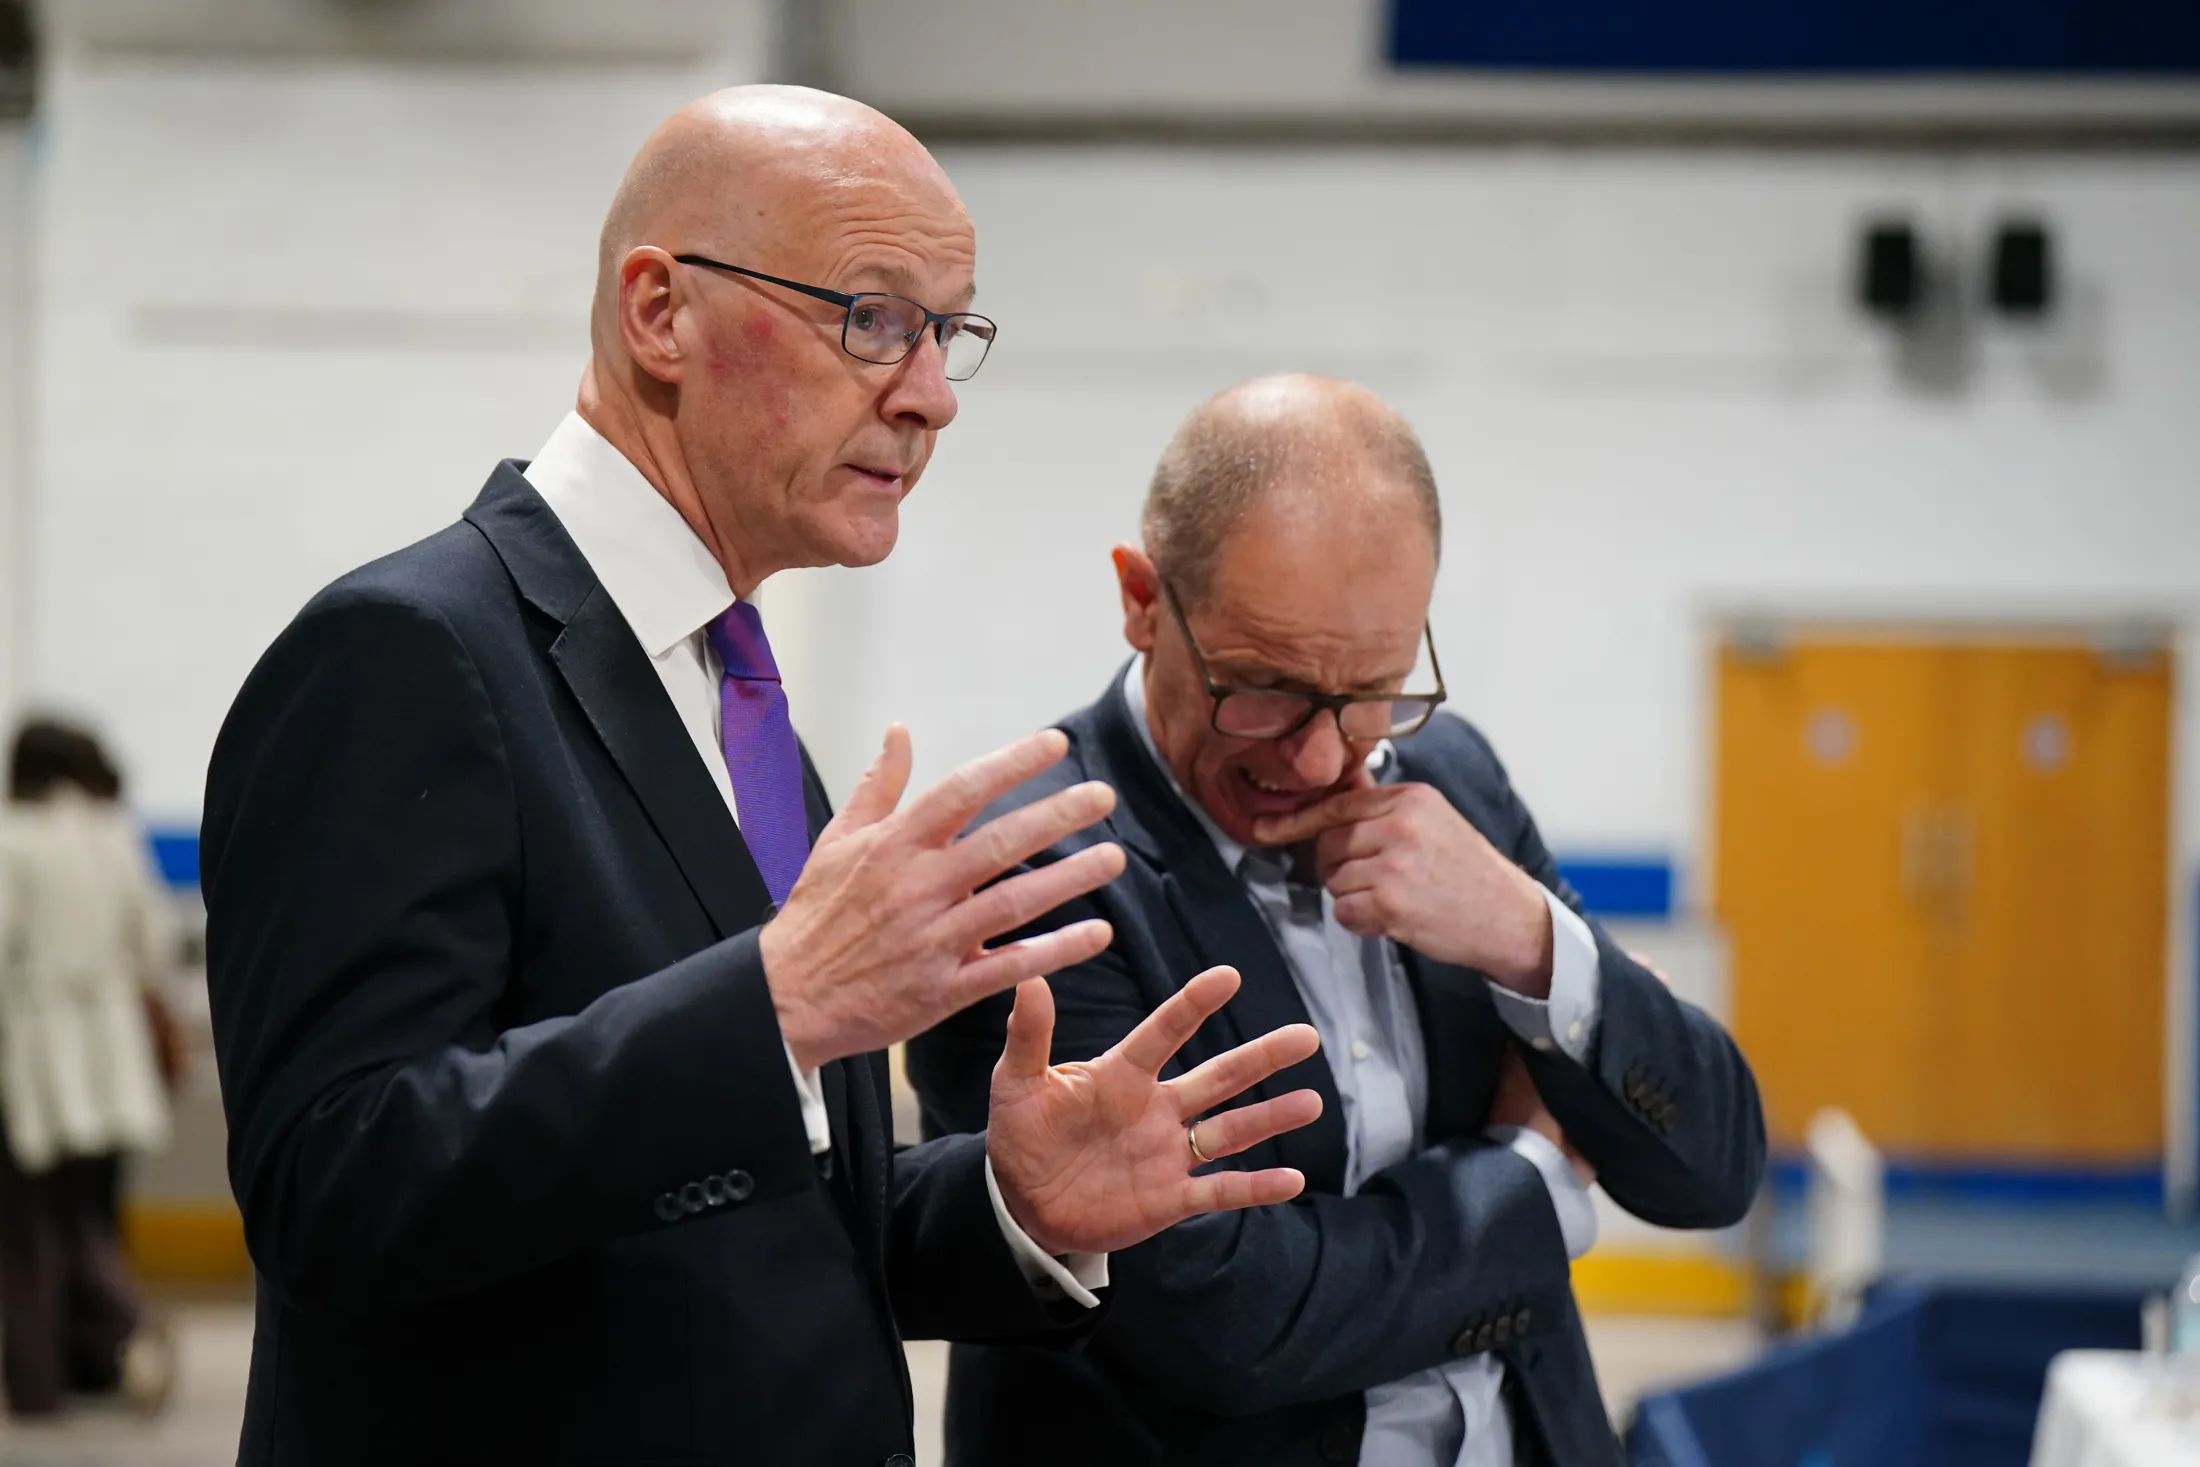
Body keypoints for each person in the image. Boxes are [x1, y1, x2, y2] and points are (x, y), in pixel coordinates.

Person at [201, 86, 1326, 1466]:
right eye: (870, 317)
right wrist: (776, 1004)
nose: (926, 394)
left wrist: (1016, 1204)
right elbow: (337, 1183)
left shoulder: (735, 697)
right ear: (659, 312)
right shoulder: (406, 652)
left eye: (947, 331)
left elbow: (752, 1213)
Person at [908, 374, 1767, 1467]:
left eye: (1370, 689)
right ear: (1139, 599)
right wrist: (1532, 1177)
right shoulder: (1029, 871)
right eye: (1260, 686)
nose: (1317, 757)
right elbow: (1223, 1326)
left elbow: (1711, 1168)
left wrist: (1531, 940)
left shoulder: (1451, 782)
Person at [0, 718, 178, 1417]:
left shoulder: (13, 839)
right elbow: (153, 941)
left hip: (31, 1058)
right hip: (107, 1060)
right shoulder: (113, 838)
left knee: (26, 1228)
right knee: (83, 1217)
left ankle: (41, 1383)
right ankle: (107, 1350)